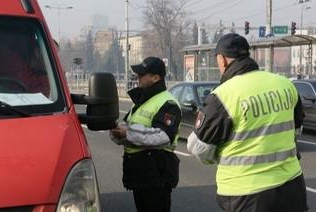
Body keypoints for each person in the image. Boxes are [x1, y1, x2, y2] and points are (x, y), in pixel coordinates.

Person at [187, 33, 308, 212]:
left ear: (222, 60)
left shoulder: (223, 96)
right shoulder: (285, 85)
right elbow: (296, 130)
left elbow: (197, 147)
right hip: (292, 186)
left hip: (247, 193)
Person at [109, 56, 182, 212]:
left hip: (156, 176)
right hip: (142, 174)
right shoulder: (143, 100)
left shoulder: (168, 103)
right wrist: (118, 133)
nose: (137, 77)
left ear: (156, 78)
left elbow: (163, 136)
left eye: (142, 74)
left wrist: (127, 133)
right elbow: (131, 128)